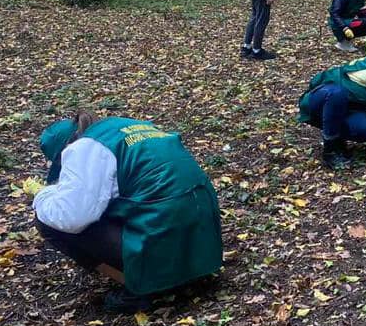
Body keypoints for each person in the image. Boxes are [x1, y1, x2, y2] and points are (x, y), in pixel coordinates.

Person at [32, 113, 223, 313]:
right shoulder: (125, 127)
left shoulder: (85, 148)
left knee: (48, 221)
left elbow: (71, 217)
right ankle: (188, 271)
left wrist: (42, 196)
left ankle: (142, 287)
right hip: (204, 239)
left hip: (165, 228)